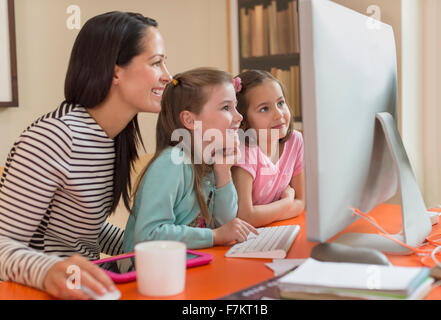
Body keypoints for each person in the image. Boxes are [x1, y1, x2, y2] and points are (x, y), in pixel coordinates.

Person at [0, 11, 171, 300]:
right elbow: (2, 244)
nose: (168, 76)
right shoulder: (53, 137)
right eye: (156, 63)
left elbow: (85, 228)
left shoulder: (112, 137)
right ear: (115, 70)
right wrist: (49, 270)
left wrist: (147, 246)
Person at [123, 67, 258, 253]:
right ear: (190, 120)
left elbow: (226, 225)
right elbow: (149, 235)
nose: (239, 117)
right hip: (146, 273)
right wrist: (215, 236)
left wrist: (223, 171)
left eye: (236, 107)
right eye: (226, 108)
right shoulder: (172, 162)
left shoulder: (210, 161)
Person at [231, 70, 305, 227]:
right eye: (264, 109)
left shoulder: (295, 141)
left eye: (280, 103)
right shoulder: (245, 151)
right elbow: (245, 217)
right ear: (244, 121)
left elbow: (302, 202)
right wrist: (286, 202)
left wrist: (266, 215)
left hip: (275, 229)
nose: (279, 114)